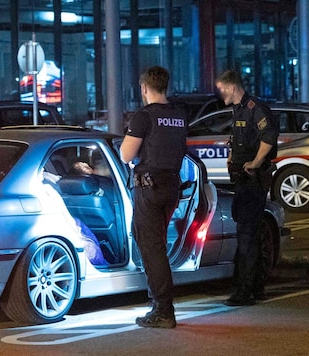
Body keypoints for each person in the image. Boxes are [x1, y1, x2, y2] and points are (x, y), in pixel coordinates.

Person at [119, 66, 188, 328]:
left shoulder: (144, 117)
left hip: (149, 188)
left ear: (145, 88)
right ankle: (161, 306)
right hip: (172, 186)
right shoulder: (179, 115)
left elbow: (126, 155)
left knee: (152, 248)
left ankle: (163, 310)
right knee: (157, 245)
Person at [216, 70, 279, 306]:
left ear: (232, 87)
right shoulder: (239, 110)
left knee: (247, 237)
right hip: (244, 180)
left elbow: (269, 137)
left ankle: (246, 291)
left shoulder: (255, 108)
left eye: (221, 88)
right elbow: (239, 139)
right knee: (248, 235)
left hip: (253, 180)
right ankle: (254, 287)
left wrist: (256, 162)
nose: (219, 92)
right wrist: (232, 155)